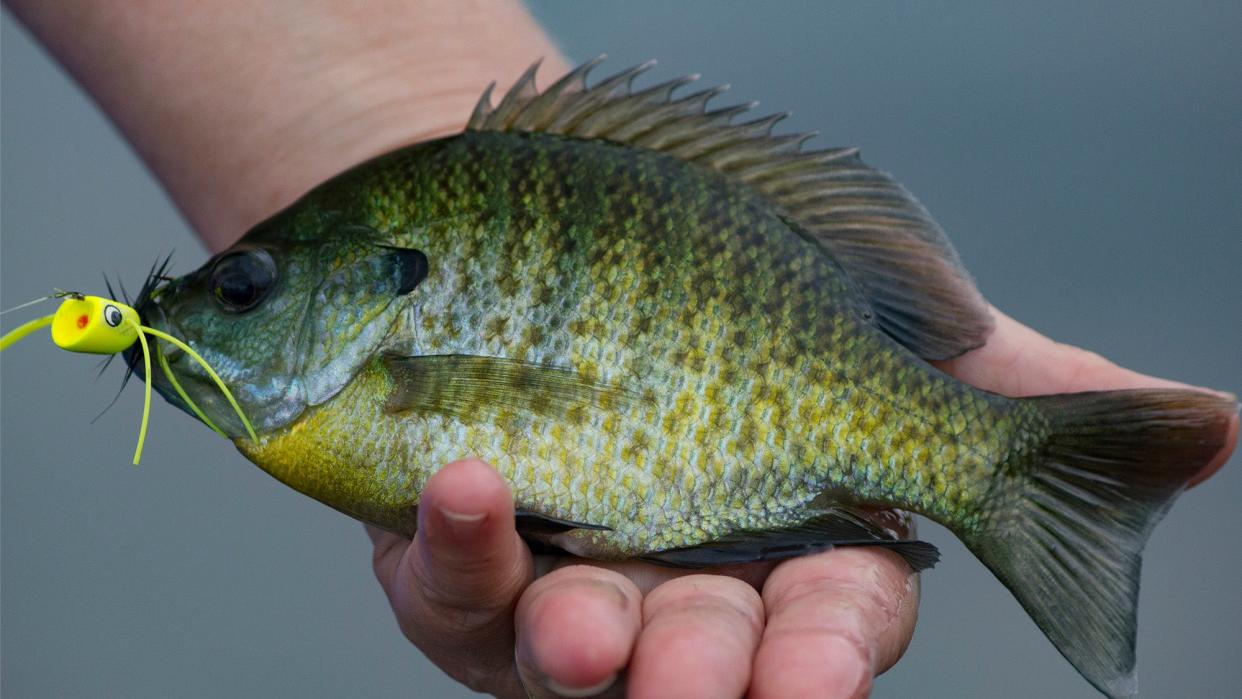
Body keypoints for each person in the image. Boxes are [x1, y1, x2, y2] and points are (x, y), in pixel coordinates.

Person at [8, 2, 1235, 697]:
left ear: (363, 284)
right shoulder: (339, 367)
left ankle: (997, 471)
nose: (207, 316)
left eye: (244, 289)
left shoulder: (366, 352)